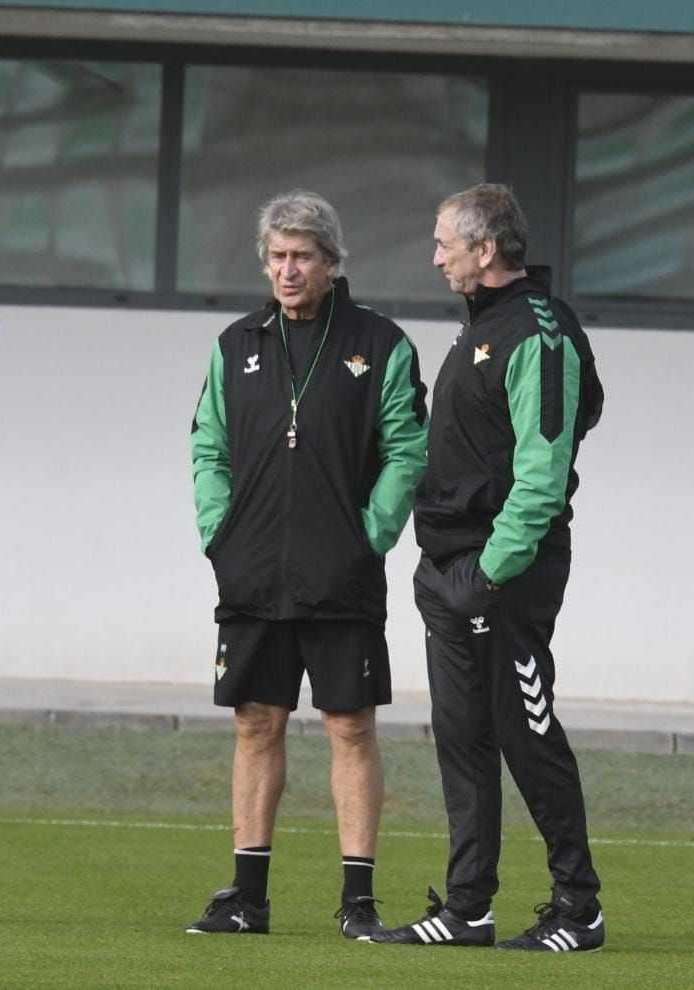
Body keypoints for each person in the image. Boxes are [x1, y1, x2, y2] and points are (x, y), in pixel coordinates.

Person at [185, 190, 428, 938]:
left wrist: (369, 536)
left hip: (340, 575)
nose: (288, 270)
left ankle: (357, 905)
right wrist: (219, 533)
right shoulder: (235, 346)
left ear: (331, 264)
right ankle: (246, 899)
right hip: (252, 575)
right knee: (256, 724)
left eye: (303, 257)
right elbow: (206, 449)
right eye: (277, 257)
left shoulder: (382, 345)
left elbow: (406, 451)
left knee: (349, 728)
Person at [372, 184, 605, 952]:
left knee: (525, 732)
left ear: (486, 248)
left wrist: (491, 571)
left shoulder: (538, 333)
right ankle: (468, 907)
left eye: (445, 243)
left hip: (502, 576)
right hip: (446, 570)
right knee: (461, 738)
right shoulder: (479, 327)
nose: (435, 257)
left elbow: (543, 471)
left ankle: (580, 909)